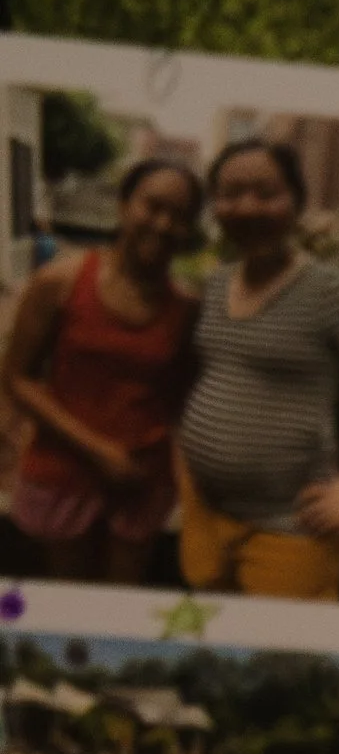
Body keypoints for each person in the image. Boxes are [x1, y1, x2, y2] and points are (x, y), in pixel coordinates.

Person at [177, 135, 339, 602]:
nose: (247, 207)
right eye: (231, 194)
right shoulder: (217, 282)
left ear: (297, 203)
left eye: (266, 193)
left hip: (291, 530)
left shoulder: (327, 289)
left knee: (280, 664)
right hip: (205, 516)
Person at [3, 156, 202, 585]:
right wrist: (98, 451)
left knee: (121, 608)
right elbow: (17, 378)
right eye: (153, 207)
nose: (164, 225)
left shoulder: (186, 308)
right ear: (124, 205)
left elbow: (181, 399)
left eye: (180, 216)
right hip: (65, 470)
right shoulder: (59, 282)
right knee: (73, 604)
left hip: (141, 481)